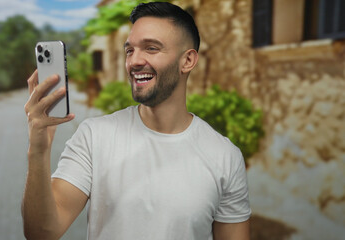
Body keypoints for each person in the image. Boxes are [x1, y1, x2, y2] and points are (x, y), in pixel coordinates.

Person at [22, 2, 251, 240]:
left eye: (151, 48)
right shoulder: (94, 136)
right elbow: (42, 233)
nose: (134, 61)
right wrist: (37, 151)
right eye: (129, 50)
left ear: (188, 61)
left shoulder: (225, 156)